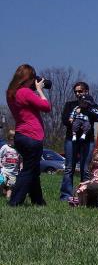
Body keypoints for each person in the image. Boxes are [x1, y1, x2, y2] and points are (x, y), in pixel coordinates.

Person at [6, 64, 51, 207]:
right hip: (32, 136)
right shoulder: (25, 92)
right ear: (28, 78)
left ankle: (38, 201)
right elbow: (46, 107)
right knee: (28, 171)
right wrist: (39, 90)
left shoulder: (11, 93)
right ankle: (15, 201)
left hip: (20, 135)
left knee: (33, 169)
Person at [58, 81, 98, 201]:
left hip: (87, 140)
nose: (78, 94)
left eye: (80, 91)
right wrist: (75, 120)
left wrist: (89, 106)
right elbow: (65, 120)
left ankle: (84, 195)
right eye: (76, 92)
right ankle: (66, 195)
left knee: (85, 168)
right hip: (71, 139)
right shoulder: (70, 104)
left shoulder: (92, 106)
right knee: (69, 167)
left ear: (86, 91)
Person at [1, 130, 22, 199]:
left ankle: (8, 198)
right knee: (2, 182)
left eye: (15, 140)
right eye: (12, 140)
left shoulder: (18, 149)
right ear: (8, 139)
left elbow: (20, 159)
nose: (13, 141)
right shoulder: (5, 147)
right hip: (4, 169)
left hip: (13, 172)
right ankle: (2, 191)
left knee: (11, 186)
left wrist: (21, 166)